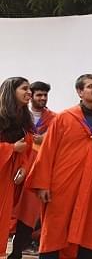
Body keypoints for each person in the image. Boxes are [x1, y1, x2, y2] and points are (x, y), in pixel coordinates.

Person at [25, 74, 92, 259]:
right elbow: (47, 152)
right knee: (56, 230)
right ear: (79, 92)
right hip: (62, 186)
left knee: (87, 230)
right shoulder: (65, 118)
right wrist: (42, 184)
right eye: (90, 86)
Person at [10, 81, 55, 259]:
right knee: (10, 208)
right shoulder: (19, 116)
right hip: (18, 166)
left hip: (38, 169)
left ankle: (18, 250)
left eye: (45, 95)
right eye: (39, 95)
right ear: (31, 96)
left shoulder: (55, 118)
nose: (42, 98)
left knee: (29, 212)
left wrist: (45, 139)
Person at [0, 77, 33, 257]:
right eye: (24, 89)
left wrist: (24, 167)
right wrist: (11, 148)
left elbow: (27, 150)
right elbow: (18, 147)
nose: (29, 92)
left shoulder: (23, 120)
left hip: (8, 178)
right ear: (11, 92)